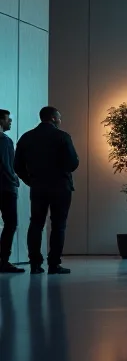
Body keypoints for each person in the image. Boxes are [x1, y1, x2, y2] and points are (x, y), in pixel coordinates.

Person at [13, 106, 79, 275]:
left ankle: (35, 263)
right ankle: (54, 264)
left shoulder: (27, 138)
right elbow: (73, 163)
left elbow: (17, 166)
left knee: (36, 224)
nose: (60, 120)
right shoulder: (62, 137)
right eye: (59, 118)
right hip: (61, 187)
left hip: (38, 187)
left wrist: (31, 181)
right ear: (53, 118)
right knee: (58, 226)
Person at [0, 109, 23, 274]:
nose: (10, 122)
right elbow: (6, 165)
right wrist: (15, 179)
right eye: (8, 119)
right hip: (6, 188)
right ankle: (4, 261)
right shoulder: (5, 141)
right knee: (10, 223)